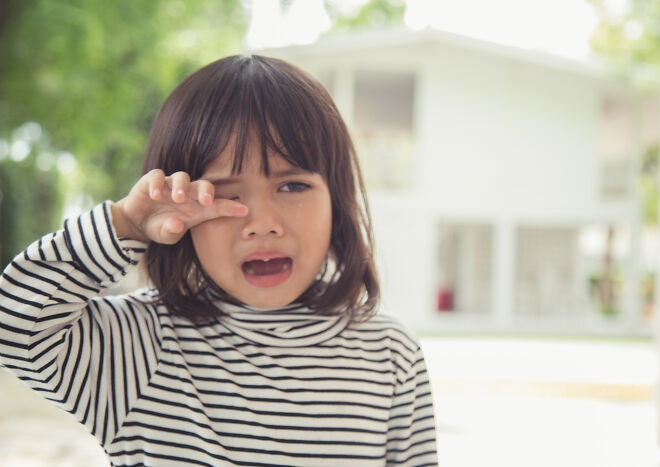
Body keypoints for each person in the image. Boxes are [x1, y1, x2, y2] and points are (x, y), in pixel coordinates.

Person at [0, 55, 438, 466]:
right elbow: (16, 328)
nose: (263, 224)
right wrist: (126, 226)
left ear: (337, 200)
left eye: (292, 187)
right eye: (225, 195)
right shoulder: (140, 345)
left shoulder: (389, 354)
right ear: (179, 211)